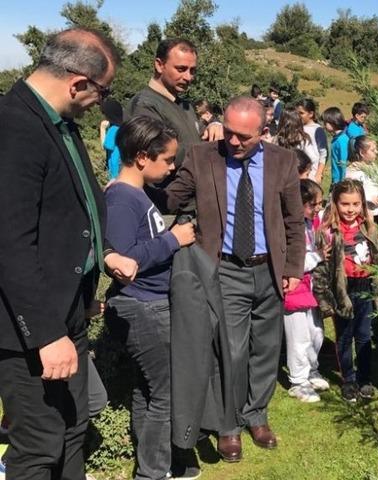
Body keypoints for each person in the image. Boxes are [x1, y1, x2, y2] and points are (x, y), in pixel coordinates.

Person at [0, 27, 138, 480]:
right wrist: (45, 334)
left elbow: (73, 207)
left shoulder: (58, 123)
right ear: (78, 82)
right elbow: (9, 242)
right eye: (102, 90)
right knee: (39, 446)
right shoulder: (14, 128)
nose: (102, 101)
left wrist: (105, 254)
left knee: (74, 428)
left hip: (68, 314)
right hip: (31, 333)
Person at [146, 96, 305, 463]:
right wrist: (133, 181)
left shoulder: (282, 161)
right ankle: (229, 424)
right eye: (229, 132)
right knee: (231, 350)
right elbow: (171, 199)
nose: (233, 142)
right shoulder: (204, 156)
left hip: (270, 270)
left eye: (243, 137)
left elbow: (294, 221)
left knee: (266, 349)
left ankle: (257, 414)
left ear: (264, 132)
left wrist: (293, 269)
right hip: (226, 269)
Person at [103, 116, 197, 480]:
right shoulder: (123, 200)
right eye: (168, 159)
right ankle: (153, 473)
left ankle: (152, 462)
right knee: (165, 393)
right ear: (143, 157)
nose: (172, 167)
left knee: (149, 388)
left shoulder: (138, 194)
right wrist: (174, 240)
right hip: (142, 307)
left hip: (150, 304)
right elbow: (124, 260)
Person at [313, 179, 378, 403]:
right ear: (335, 204)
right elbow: (322, 268)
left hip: (365, 287)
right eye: (345, 204)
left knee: (364, 335)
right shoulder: (328, 232)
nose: (351, 209)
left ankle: (365, 378)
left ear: (362, 204)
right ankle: (349, 379)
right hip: (343, 290)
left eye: (355, 204)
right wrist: (325, 298)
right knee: (344, 337)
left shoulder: (369, 227)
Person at [129, 38, 223, 185]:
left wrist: (215, 124)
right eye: (181, 69)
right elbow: (156, 154)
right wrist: (203, 148)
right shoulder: (145, 105)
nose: (188, 77)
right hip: (164, 201)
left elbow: (199, 132)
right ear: (159, 65)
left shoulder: (184, 105)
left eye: (192, 70)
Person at [283, 179, 329, 404]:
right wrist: (318, 257)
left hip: (309, 288)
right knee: (298, 337)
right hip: (293, 291)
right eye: (314, 205)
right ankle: (297, 381)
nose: (318, 209)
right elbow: (292, 263)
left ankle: (311, 369)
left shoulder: (310, 224)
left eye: (320, 204)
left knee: (316, 332)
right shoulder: (288, 228)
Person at [345, 135, 378, 220]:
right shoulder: (353, 172)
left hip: (375, 214)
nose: (377, 152)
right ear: (362, 153)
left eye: (376, 149)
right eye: (372, 150)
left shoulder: (373, 168)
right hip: (360, 216)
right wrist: (369, 198)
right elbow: (351, 194)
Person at [276, 106, 322, 183]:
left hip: (282, 178)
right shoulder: (303, 139)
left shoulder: (277, 139)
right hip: (300, 178)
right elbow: (313, 158)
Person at [296, 98, 328, 183]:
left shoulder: (317, 130)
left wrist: (318, 174)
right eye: (297, 113)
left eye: (301, 113)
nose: (298, 116)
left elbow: (323, 154)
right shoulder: (298, 128)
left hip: (312, 173)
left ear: (311, 114)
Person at [322, 106, 349, 184]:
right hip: (336, 179)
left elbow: (343, 163)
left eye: (325, 123)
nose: (324, 125)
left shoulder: (342, 140)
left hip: (340, 181)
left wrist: (343, 182)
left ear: (333, 122)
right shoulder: (337, 138)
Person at [100, 97, 124, 179]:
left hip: (114, 172)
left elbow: (105, 146)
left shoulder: (113, 129)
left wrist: (102, 129)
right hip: (122, 169)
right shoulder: (123, 128)